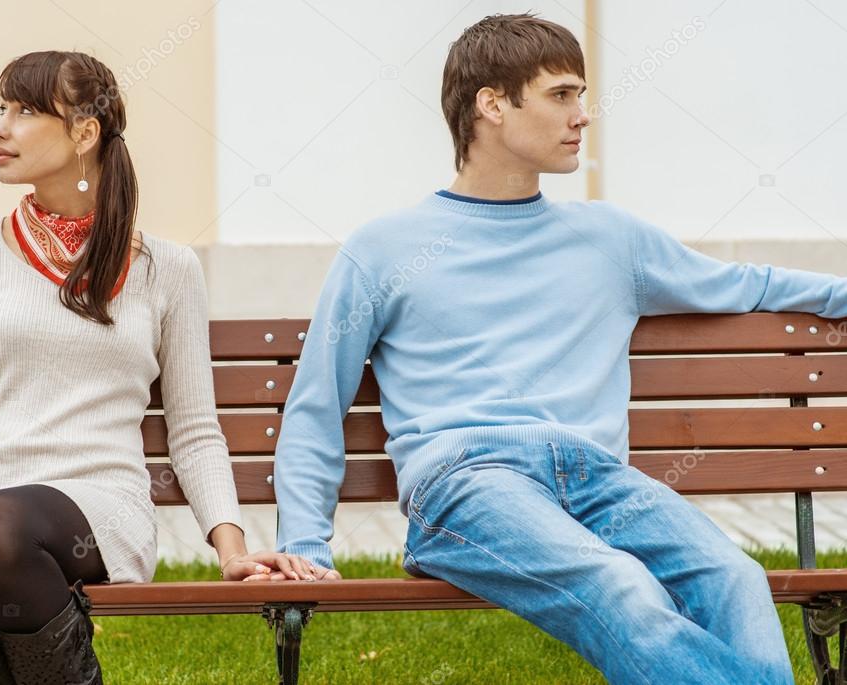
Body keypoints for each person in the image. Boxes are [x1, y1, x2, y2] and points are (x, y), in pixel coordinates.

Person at [269, 13, 844, 684]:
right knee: (621, 585)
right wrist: (304, 541)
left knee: (734, 578)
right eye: (561, 95)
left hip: (597, 479)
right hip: (466, 484)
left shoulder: (611, 239)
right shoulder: (383, 249)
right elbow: (316, 403)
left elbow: (746, 284)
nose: (582, 115)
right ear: (490, 104)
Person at [0, 50, 315, 684]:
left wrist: (233, 552)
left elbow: (194, 429)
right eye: (0, 109)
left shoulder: (165, 270)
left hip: (94, 505)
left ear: (84, 133)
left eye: (24, 111)